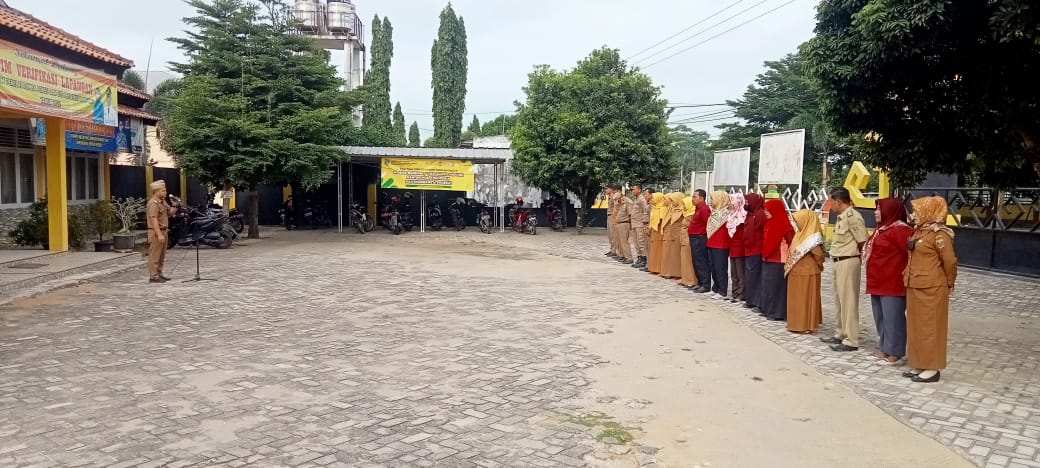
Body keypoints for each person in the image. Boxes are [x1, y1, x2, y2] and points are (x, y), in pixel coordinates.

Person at [903, 196, 957, 383]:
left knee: (930, 328)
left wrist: (949, 283)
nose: (913, 215)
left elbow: (950, 262)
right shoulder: (920, 232)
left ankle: (932, 368)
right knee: (915, 326)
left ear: (929, 212)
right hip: (915, 285)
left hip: (932, 288)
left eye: (917, 211)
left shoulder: (939, 234)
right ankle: (919, 363)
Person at [864, 198, 914, 364]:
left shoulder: (900, 231)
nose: (876, 212)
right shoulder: (882, 229)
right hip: (877, 281)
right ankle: (885, 347)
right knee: (881, 317)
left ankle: (895, 350)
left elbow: (910, 256)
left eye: (879, 209)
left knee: (894, 318)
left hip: (893, 282)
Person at [822, 188, 869, 352]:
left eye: (831, 201)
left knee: (848, 301)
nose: (830, 205)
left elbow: (862, 241)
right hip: (838, 261)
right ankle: (840, 333)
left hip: (848, 261)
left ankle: (851, 339)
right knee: (839, 300)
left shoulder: (853, 217)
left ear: (839, 201)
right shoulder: (841, 218)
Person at [785, 209, 826, 333]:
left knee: (802, 300)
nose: (797, 223)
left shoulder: (809, 236)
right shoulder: (804, 234)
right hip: (805, 271)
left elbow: (816, 253)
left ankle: (800, 325)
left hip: (804, 272)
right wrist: (820, 264)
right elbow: (819, 255)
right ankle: (802, 324)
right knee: (802, 300)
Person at [761, 199, 794, 321]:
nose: (765, 212)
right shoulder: (768, 223)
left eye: (767, 209)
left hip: (780, 260)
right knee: (767, 286)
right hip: (768, 258)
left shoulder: (786, 226)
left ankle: (777, 312)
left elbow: (792, 243)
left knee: (777, 287)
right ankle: (768, 309)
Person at [146, 180, 178, 283]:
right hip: (156, 232)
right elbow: (154, 220)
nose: (165, 192)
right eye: (163, 191)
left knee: (161, 254)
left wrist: (175, 206)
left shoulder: (162, 201)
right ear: (156, 191)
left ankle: (159, 273)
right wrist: (159, 235)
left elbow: (169, 213)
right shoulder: (153, 203)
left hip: (164, 231)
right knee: (155, 255)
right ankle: (153, 276)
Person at [705, 191, 731, 298]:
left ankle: (722, 290)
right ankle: (715, 287)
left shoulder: (726, 213)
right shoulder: (715, 211)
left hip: (721, 244)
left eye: (712, 199)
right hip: (711, 242)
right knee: (713, 267)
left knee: (720, 268)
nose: (711, 201)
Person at [743, 193, 766, 312]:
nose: (746, 204)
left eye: (748, 202)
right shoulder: (750, 214)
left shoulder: (760, 214)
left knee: (756, 276)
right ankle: (750, 300)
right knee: (749, 276)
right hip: (749, 248)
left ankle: (757, 302)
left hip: (757, 249)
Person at [687, 189, 712, 293]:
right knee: (696, 261)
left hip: (700, 238)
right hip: (694, 237)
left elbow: (707, 224)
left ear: (701, 198)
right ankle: (700, 282)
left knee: (701, 261)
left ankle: (705, 284)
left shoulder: (704, 209)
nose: (692, 199)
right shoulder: (697, 208)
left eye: (695, 197)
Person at [727, 193, 748, 304]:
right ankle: (735, 291)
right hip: (732, 247)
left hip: (740, 248)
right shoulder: (732, 215)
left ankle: (741, 292)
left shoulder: (742, 216)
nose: (730, 203)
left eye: (732, 201)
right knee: (734, 272)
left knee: (740, 272)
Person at [659, 193, 684, 279]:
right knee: (668, 254)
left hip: (676, 236)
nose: (672, 202)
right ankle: (667, 271)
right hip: (669, 235)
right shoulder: (671, 209)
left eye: (673, 200)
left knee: (675, 255)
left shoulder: (682, 210)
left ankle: (675, 273)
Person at [678, 196, 698, 288]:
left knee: (689, 261)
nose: (683, 206)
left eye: (685, 204)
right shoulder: (686, 214)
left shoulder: (692, 214)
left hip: (689, 239)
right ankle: (685, 279)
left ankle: (691, 280)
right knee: (684, 260)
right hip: (684, 238)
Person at [629, 184, 649, 268]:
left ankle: (644, 259)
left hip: (640, 224)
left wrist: (644, 223)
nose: (632, 191)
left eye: (634, 189)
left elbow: (645, 210)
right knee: (636, 243)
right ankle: (639, 257)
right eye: (632, 189)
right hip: (634, 224)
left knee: (641, 242)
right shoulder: (636, 199)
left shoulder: (641, 199)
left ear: (639, 190)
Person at [613, 187, 634, 265]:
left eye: (617, 200)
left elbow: (630, 214)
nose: (616, 201)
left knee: (624, 241)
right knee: (620, 241)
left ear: (621, 197)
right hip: (619, 223)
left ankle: (629, 257)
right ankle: (623, 255)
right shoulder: (620, 203)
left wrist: (631, 226)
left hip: (624, 223)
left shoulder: (628, 202)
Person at [647, 192, 665, 274]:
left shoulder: (662, 208)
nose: (652, 199)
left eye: (654, 198)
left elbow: (661, 221)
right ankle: (652, 268)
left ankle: (658, 268)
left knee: (658, 251)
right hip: (653, 231)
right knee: (653, 250)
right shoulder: (654, 208)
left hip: (658, 232)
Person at [605, 186, 617, 258]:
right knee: (609, 234)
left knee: (613, 234)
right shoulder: (609, 197)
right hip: (609, 216)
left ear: (611, 189)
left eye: (606, 188)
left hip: (612, 216)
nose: (605, 190)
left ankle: (614, 250)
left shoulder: (613, 196)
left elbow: (616, 207)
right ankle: (612, 249)